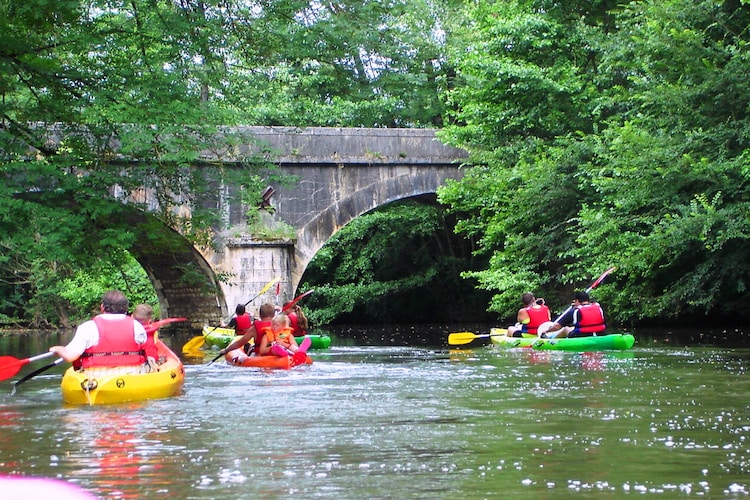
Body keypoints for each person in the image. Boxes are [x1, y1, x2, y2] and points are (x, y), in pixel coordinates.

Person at [49, 290, 149, 373]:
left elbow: (70, 356)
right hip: (132, 375)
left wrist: (58, 349)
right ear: (126, 308)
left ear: (102, 307)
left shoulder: (88, 327)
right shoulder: (137, 327)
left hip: (96, 378)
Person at [132, 303, 160, 368]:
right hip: (149, 362)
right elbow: (153, 355)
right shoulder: (152, 333)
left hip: (134, 362)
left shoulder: (128, 330)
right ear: (149, 321)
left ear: (132, 317)